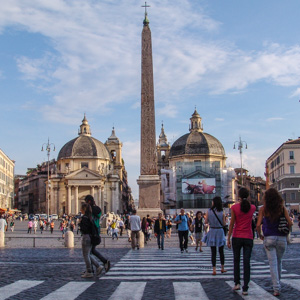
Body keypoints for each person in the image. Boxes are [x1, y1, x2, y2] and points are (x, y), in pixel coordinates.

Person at [256, 188, 292, 297]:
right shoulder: (282, 208)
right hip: (281, 238)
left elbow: (258, 225)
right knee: (279, 262)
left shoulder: (263, 209)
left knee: (273, 264)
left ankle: (276, 288)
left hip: (269, 238)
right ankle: (278, 283)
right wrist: (287, 232)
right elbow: (290, 222)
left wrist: (260, 235)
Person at [227, 188, 256, 295]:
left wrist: (228, 238)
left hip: (237, 236)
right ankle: (245, 287)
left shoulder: (234, 207)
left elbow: (232, 224)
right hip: (248, 237)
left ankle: (237, 283)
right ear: (248, 196)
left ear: (238, 196)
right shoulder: (252, 208)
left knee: (236, 260)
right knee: (247, 262)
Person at [85, 195, 111, 273]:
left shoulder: (89, 211)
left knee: (88, 252)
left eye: (86, 201)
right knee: (91, 251)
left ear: (88, 201)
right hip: (96, 231)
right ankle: (101, 263)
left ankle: (93, 268)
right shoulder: (98, 210)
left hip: (91, 232)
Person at [202, 196, 226, 275]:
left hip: (212, 230)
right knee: (221, 251)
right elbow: (224, 223)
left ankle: (214, 270)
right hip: (220, 231)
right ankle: (222, 268)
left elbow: (205, 221)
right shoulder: (222, 211)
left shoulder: (209, 211)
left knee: (213, 252)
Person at [80, 202, 103, 278]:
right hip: (90, 237)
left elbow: (84, 229)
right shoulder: (90, 217)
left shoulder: (84, 218)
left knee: (86, 255)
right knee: (88, 254)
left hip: (86, 237)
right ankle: (98, 266)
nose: (80, 209)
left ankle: (89, 271)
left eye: (81, 208)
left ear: (84, 209)